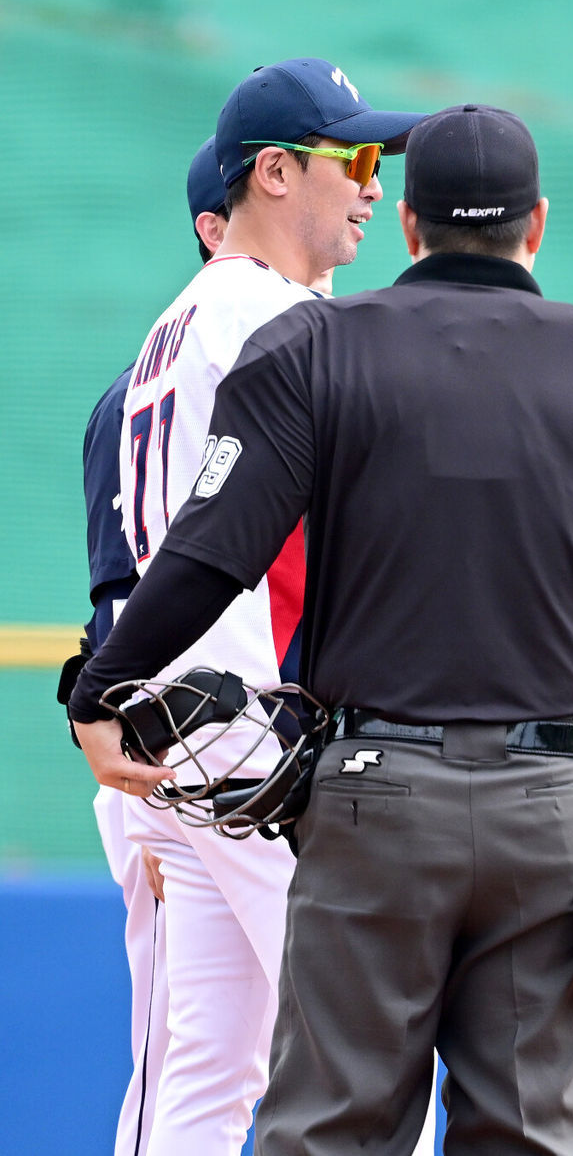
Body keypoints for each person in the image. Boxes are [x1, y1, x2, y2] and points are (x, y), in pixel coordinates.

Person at [69, 104, 573, 1156]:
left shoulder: (314, 344)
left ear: (411, 225)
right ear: (537, 224)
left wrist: (99, 685)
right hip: (553, 801)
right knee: (528, 1132)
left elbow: (210, 555)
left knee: (330, 1125)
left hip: (372, 793)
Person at [79, 59, 425, 1156]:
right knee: (374, 1059)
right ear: (274, 172)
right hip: (252, 735)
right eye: (353, 159)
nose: (373, 185)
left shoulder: (182, 321)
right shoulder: (271, 316)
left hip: (175, 729)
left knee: (207, 1073)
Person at [58, 135, 230, 1156]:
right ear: (215, 225)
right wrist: (162, 810)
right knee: (190, 1070)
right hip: (174, 757)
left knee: (205, 1071)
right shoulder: (155, 389)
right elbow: (122, 601)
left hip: (205, 756)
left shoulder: (238, 359)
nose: (364, 190)